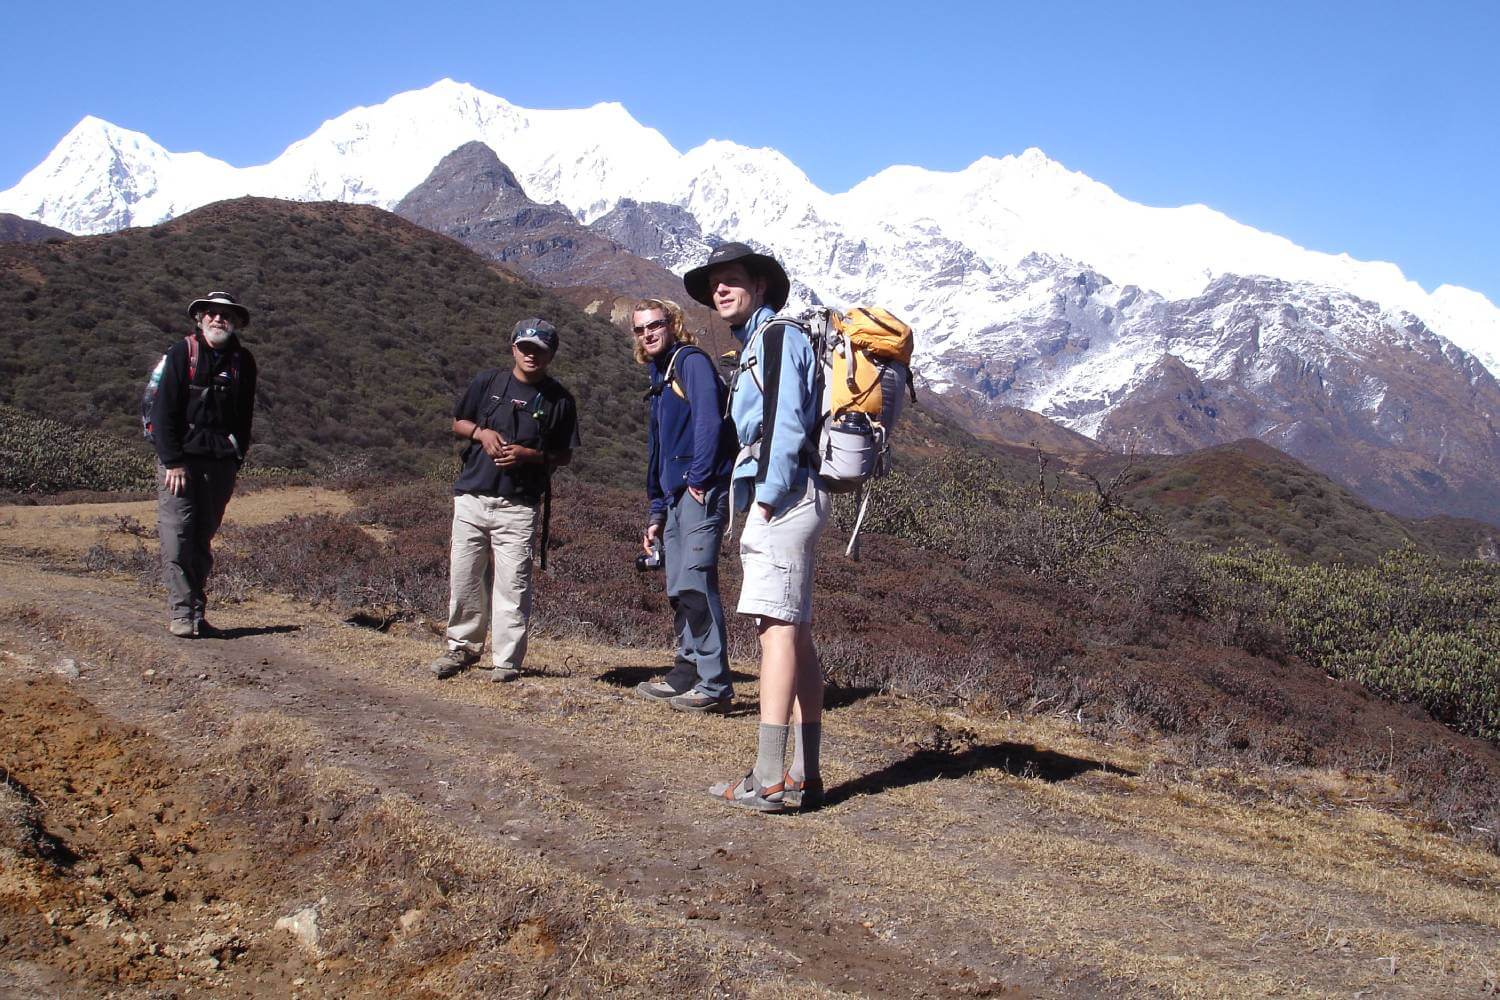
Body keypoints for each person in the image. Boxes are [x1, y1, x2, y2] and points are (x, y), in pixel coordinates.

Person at [683, 244, 829, 812]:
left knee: (776, 633)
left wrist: (765, 500)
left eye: (731, 280)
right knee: (797, 633)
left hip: (783, 495)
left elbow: (784, 421)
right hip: (794, 491)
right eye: (714, 284)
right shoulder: (762, 342)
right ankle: (803, 774)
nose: (719, 290)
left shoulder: (775, 338)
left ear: (761, 286)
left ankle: (768, 776)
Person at [430, 318, 579, 682]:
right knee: (465, 578)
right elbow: (458, 422)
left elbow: (564, 455)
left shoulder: (560, 400)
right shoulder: (488, 382)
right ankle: (462, 648)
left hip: (519, 505)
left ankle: (506, 662)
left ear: (551, 355)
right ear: (513, 348)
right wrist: (482, 434)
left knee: (513, 585)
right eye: (525, 347)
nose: (531, 355)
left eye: (540, 350)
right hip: (472, 496)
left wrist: (529, 455)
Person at [629, 297, 738, 713]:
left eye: (654, 325)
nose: (648, 334)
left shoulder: (690, 362)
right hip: (675, 497)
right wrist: (657, 509)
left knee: (695, 583)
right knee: (679, 587)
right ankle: (686, 671)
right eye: (640, 329)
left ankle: (715, 685)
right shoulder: (661, 373)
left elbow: (709, 420)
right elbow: (659, 449)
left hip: (699, 491)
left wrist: (699, 477)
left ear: (672, 323)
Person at [151, 290, 258, 638]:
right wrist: (172, 461)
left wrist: (236, 456)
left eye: (225, 315)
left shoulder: (243, 362)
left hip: (220, 462)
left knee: (202, 536)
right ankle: (182, 613)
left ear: (235, 322)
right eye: (211, 313)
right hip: (180, 462)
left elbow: (244, 415)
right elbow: (163, 412)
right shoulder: (182, 353)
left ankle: (196, 615)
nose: (217, 319)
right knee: (177, 535)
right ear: (200, 319)